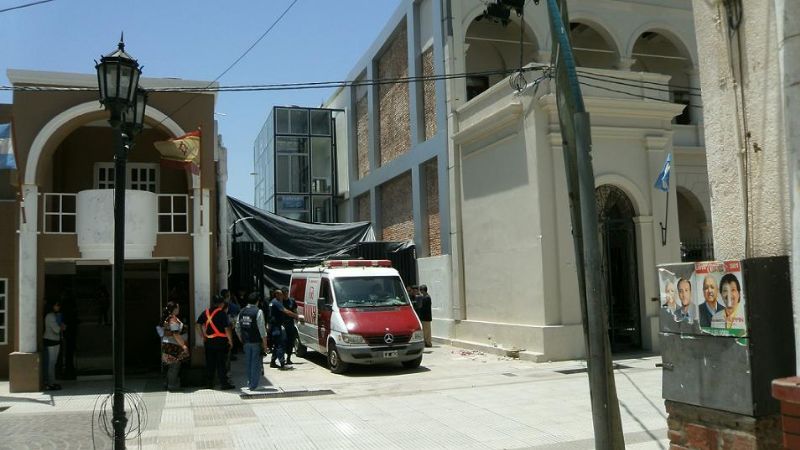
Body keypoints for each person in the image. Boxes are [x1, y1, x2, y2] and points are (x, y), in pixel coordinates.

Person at [196, 295, 235, 390]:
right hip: (221, 342)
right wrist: (230, 341)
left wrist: (202, 335)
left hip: (209, 342)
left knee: (210, 363)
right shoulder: (222, 313)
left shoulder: (206, 312)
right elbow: (227, 328)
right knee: (221, 363)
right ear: (221, 304)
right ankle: (224, 383)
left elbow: (197, 324)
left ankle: (209, 383)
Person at [236, 291, 269, 391]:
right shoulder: (258, 312)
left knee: (248, 363)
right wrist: (265, 345)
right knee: (256, 364)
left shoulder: (241, 311)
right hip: (256, 342)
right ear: (257, 301)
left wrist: (241, 339)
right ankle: (253, 385)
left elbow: (237, 327)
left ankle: (250, 382)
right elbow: (262, 330)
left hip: (246, 342)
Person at [160, 301, 189, 391]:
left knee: (170, 366)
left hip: (170, 344)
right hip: (173, 345)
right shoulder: (172, 319)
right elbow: (175, 334)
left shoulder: (170, 318)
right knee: (174, 366)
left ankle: (168, 384)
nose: (179, 309)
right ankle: (172, 386)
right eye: (177, 308)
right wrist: (183, 345)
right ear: (174, 309)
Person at [269, 289, 301, 370]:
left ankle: (273, 362)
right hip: (276, 327)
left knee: (277, 345)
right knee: (280, 345)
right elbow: (286, 311)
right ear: (277, 295)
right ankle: (283, 364)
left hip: (276, 326)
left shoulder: (274, 301)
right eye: (281, 294)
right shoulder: (276, 302)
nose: (283, 296)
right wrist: (296, 316)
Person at [43, 300, 64, 391]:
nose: (57, 307)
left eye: (58, 305)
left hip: (55, 341)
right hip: (50, 341)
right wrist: (62, 327)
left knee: (53, 363)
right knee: (51, 363)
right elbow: (57, 329)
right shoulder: (50, 316)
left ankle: (52, 382)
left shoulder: (55, 315)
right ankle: (49, 383)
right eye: (56, 305)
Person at [222, 289, 242, 360]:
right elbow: (238, 311)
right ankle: (230, 354)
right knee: (231, 340)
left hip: (220, 329)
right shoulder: (233, 306)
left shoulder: (218, 305)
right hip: (230, 326)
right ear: (229, 296)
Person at [281, 287, 298, 365]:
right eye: (284, 294)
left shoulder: (292, 301)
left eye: (287, 293)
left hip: (290, 324)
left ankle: (288, 358)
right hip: (282, 324)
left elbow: (295, 311)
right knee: (283, 342)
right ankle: (282, 359)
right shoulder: (279, 302)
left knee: (291, 341)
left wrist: (297, 319)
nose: (286, 295)